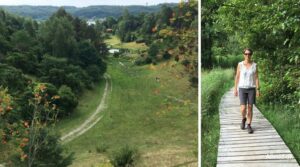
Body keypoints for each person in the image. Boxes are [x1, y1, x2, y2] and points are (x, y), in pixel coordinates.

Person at [234, 48, 260, 134]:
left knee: (250, 107)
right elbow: (237, 77)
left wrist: (258, 89)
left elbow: (256, 78)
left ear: (251, 55)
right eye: (246, 54)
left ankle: (249, 125)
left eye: (249, 54)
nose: (247, 55)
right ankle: (243, 119)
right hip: (242, 88)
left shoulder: (255, 65)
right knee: (243, 108)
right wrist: (235, 88)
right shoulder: (240, 64)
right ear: (243, 55)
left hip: (251, 88)